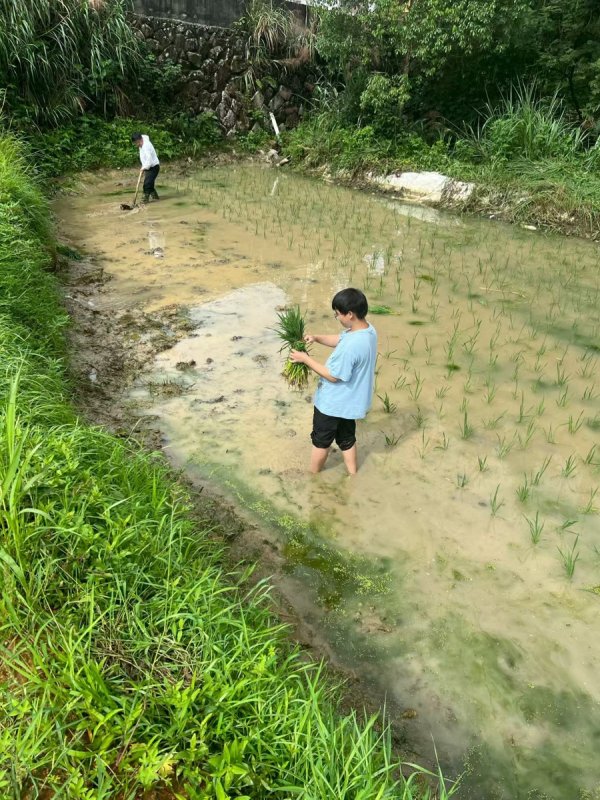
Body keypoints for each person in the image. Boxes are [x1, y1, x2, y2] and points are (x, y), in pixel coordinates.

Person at [290, 288, 377, 475]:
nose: (337, 318)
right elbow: (340, 338)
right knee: (347, 439)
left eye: (337, 314)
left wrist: (305, 359)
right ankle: (353, 474)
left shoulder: (352, 347)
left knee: (321, 442)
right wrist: (317, 338)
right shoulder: (367, 331)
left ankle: (313, 477)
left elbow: (332, 375)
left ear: (350, 314)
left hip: (332, 404)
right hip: (349, 402)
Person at [131, 132, 160, 202]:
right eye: (135, 143)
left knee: (147, 184)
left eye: (137, 143)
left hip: (153, 167)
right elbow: (145, 158)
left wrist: (144, 167)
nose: (136, 145)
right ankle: (155, 198)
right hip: (148, 167)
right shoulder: (141, 143)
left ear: (140, 140)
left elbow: (149, 160)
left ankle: (144, 200)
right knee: (150, 184)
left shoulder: (146, 145)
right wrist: (144, 166)